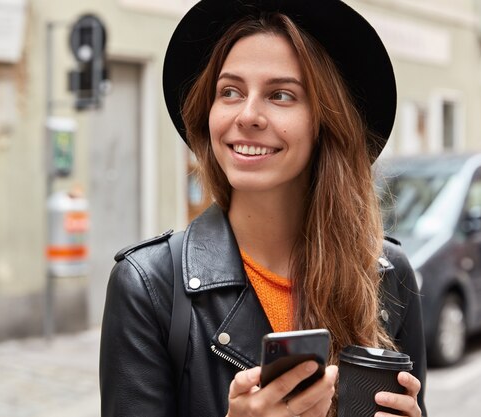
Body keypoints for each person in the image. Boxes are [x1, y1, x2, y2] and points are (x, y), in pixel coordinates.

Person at [100, 1, 427, 416]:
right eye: (230, 91)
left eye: (280, 95)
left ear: (326, 121)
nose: (248, 115)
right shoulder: (149, 287)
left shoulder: (386, 274)